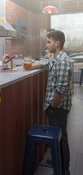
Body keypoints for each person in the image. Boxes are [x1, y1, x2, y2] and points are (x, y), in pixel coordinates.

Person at [29, 30, 73, 175]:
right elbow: (46, 63)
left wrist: (52, 107)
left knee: (61, 139)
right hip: (56, 107)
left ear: (57, 43)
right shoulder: (56, 58)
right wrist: (29, 65)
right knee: (59, 136)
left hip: (58, 107)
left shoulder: (62, 61)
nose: (46, 45)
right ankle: (58, 161)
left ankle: (63, 169)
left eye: (48, 42)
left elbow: (60, 91)